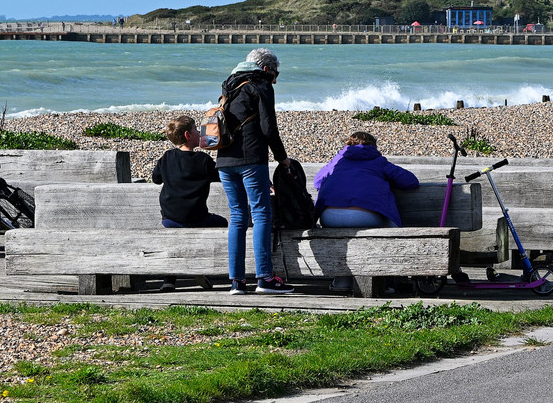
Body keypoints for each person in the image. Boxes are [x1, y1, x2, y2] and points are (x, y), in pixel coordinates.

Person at [216, 48, 294, 295]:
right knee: (261, 214)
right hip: (251, 158)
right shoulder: (260, 85)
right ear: (265, 70)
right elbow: (268, 127)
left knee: (238, 217)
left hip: (225, 159)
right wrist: (282, 159)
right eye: (275, 74)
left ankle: (237, 282)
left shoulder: (230, 85)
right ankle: (265, 278)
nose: (275, 79)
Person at [313, 131, 419, 293]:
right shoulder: (378, 161)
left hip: (330, 216)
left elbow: (317, 181)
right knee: (393, 228)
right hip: (365, 215)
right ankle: (386, 280)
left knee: (341, 236)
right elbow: (411, 181)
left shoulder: (337, 161)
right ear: (373, 147)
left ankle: (342, 280)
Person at [150, 115, 227, 291]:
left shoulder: (167, 157)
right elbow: (221, 176)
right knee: (222, 224)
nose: (199, 132)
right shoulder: (203, 161)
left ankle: (168, 280)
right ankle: (199, 265)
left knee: (175, 239)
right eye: (195, 129)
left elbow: (156, 179)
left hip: (170, 217)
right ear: (187, 135)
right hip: (196, 216)